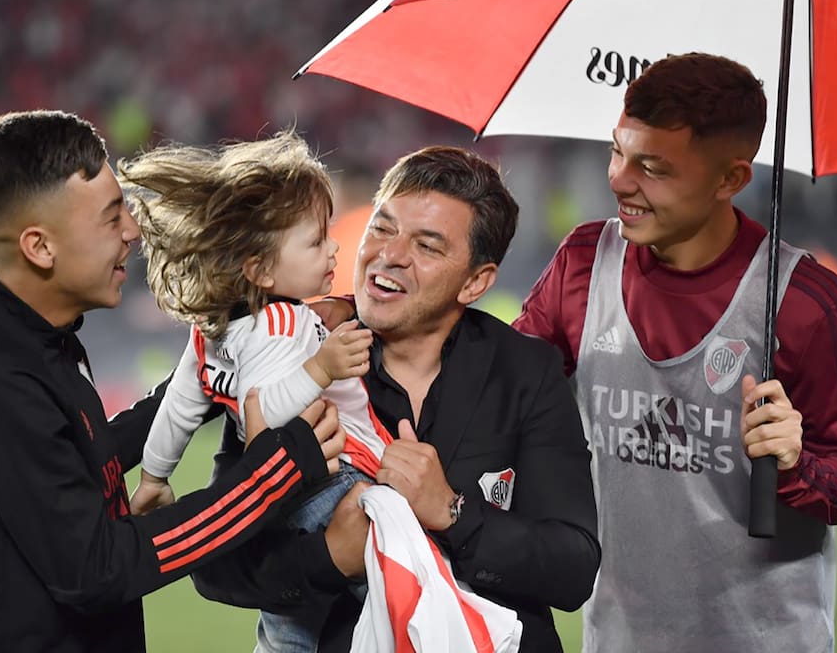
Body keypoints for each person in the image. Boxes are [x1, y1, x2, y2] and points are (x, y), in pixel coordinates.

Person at [0, 110, 344, 653]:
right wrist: (277, 471)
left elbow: (71, 454)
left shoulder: (19, 339)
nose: (132, 231)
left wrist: (223, 369)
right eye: (110, 217)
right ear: (40, 247)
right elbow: (98, 571)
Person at [512, 53, 837, 653]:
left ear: (730, 179)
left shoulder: (806, 302)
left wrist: (798, 464)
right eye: (618, 151)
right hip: (616, 639)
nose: (618, 179)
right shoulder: (584, 263)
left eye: (652, 167)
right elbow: (504, 385)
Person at [189, 145, 601, 652]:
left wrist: (452, 513)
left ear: (475, 282)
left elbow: (573, 568)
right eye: (382, 228)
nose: (390, 255)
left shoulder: (526, 373)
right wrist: (330, 556)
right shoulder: (294, 360)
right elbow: (216, 567)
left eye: (427, 246)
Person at [118, 132, 382, 652]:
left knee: (290, 625)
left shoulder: (211, 330)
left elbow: (177, 408)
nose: (332, 249)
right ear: (260, 269)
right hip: (330, 482)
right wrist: (322, 368)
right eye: (315, 241)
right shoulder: (282, 323)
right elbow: (270, 411)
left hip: (274, 499)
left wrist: (154, 475)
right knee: (399, 587)